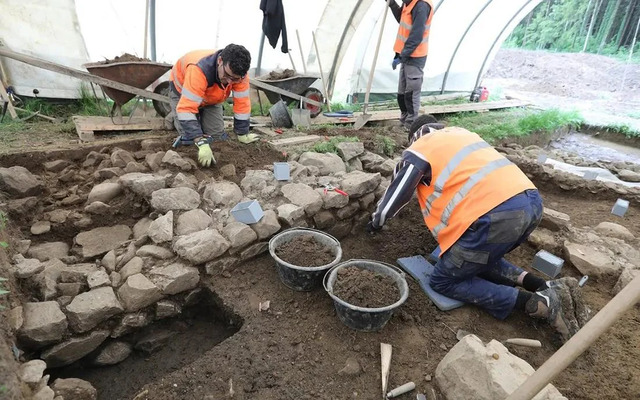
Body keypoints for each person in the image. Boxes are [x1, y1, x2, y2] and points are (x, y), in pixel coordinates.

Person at [367, 115, 583, 341]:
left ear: (413, 137)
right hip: (530, 203)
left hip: (495, 215)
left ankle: (542, 305)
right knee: (479, 256)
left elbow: (397, 191)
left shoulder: (421, 146)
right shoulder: (462, 134)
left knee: (443, 280)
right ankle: (545, 285)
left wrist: (376, 221)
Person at [168, 44, 258, 167]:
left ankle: (197, 117)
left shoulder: (240, 75)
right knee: (189, 138)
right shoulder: (199, 69)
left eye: (235, 79)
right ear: (220, 61)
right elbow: (186, 108)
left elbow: (242, 105)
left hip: (212, 98)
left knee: (217, 138)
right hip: (183, 92)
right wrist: (200, 141)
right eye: (227, 75)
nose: (230, 82)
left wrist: (242, 132)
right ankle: (173, 116)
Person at [387, 0, 433, 131]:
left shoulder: (421, 6)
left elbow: (416, 35)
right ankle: (404, 120)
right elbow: (402, 19)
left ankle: (410, 125)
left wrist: (403, 55)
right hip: (406, 54)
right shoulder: (409, 3)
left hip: (415, 55)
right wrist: (392, 4)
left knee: (411, 93)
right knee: (402, 93)